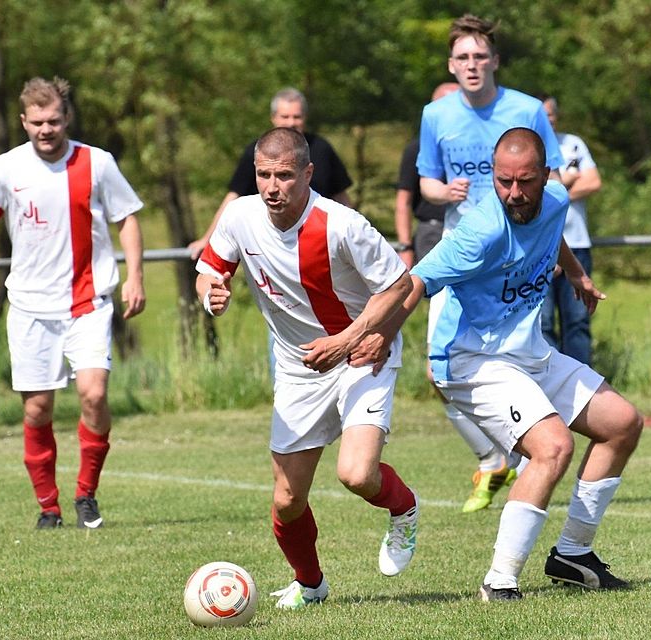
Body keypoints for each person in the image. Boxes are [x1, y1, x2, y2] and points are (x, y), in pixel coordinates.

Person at [394, 127, 643, 601]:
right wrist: (370, 336)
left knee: (622, 423)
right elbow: (415, 282)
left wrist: (576, 275)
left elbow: (552, 231)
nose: (513, 192)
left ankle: (573, 555)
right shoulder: (481, 229)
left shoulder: (552, 198)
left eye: (524, 181)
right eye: (504, 181)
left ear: (546, 174)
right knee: (552, 447)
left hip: (528, 353)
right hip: (473, 359)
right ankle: (500, 581)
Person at [195, 127, 419, 610]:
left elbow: (399, 286)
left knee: (357, 475)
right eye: (263, 176)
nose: (272, 187)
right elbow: (210, 269)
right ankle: (311, 584)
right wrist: (212, 295)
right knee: (286, 500)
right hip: (298, 371)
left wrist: (347, 339)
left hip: (361, 354)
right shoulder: (240, 215)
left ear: (308, 173)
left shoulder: (342, 224)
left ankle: (404, 509)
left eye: (284, 176)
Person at [0, 77, 146, 530]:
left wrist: (135, 275)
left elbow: (127, 219)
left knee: (94, 394)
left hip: (88, 301)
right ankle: (48, 506)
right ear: (24, 121)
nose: (46, 129)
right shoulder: (6, 168)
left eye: (54, 120)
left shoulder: (97, 163)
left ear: (67, 118)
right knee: (37, 409)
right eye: (37, 122)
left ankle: (86, 495)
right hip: (31, 307)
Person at [416, 13, 565, 513]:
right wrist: (445, 191)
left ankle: (538, 452)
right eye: (463, 57)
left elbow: (554, 184)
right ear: (451, 65)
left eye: (481, 55)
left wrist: (560, 255)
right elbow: (427, 185)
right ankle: (493, 457)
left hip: (520, 253)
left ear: (495, 61)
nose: (472, 64)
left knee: (524, 356)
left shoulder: (526, 108)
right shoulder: (435, 115)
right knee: (439, 373)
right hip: (463, 250)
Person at [187, 87, 353, 260]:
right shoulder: (258, 152)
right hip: (276, 245)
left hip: (320, 242)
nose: (291, 123)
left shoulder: (322, 149)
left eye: (296, 117)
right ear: (273, 118)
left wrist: (352, 234)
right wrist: (208, 238)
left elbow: (341, 196)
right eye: (285, 116)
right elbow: (233, 198)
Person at [539, 94, 602, 365]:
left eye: (549, 115)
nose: (546, 120)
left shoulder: (573, 143)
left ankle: (583, 385)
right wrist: (567, 181)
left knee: (577, 320)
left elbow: (593, 182)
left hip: (576, 243)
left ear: (556, 116)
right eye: (540, 115)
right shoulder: (526, 148)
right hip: (540, 246)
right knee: (541, 323)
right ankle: (550, 384)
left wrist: (555, 191)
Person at [394, 82, 459, 269]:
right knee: (439, 294)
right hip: (433, 230)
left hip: (471, 226)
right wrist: (405, 246)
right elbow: (403, 201)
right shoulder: (417, 148)